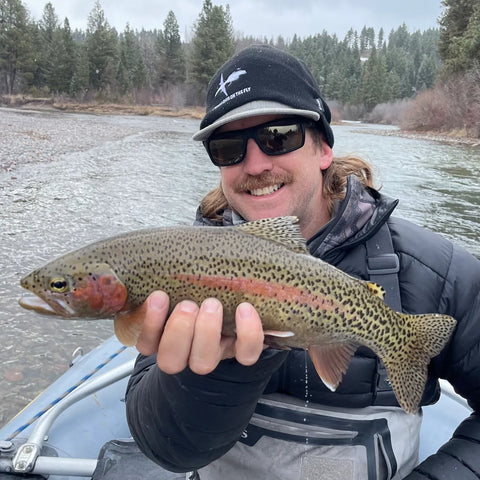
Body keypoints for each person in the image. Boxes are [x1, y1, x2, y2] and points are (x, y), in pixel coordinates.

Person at [125, 44, 480, 480]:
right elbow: (166, 449)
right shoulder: (178, 265)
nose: (255, 163)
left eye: (279, 136)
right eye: (229, 146)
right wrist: (211, 375)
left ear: (323, 149)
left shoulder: (439, 274)